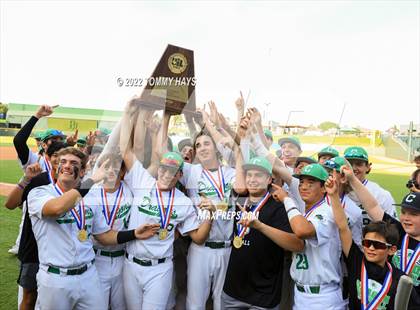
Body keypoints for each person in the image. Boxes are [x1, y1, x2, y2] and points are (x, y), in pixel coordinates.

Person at [27, 147, 159, 309]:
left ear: (82, 172)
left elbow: (104, 236)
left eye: (74, 163)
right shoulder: (39, 193)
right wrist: (92, 180)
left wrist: (134, 234)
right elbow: (56, 209)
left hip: (88, 276)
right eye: (63, 162)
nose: (67, 165)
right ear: (57, 169)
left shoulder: (90, 198)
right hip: (56, 279)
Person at [119, 101, 214, 310]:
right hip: (131, 265)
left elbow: (198, 237)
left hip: (159, 269)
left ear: (180, 175)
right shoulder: (143, 181)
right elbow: (125, 150)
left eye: (172, 171)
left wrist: (210, 215)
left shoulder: (183, 202)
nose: (165, 174)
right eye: (163, 168)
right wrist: (127, 115)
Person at [326, 171, 420, 309]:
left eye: (413, 214)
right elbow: (372, 207)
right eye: (404, 213)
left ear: (391, 249)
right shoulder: (397, 231)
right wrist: (351, 180)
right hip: (386, 287)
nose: (405, 218)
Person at [222, 156, 304, 309]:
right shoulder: (239, 200)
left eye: (258, 175)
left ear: (269, 179)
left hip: (264, 294)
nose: (252, 179)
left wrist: (260, 226)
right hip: (232, 291)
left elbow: (297, 244)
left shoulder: (279, 206)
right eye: (249, 175)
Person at [278, 163, 346, 309]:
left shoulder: (327, 212)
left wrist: (287, 200)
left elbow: (301, 231)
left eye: (311, 182)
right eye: (301, 182)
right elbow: (297, 243)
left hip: (323, 296)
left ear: (323, 188)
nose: (303, 187)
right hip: (300, 294)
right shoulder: (306, 213)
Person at [84, 153, 133, 310]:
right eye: (107, 166)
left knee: (121, 306)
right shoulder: (90, 192)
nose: (111, 170)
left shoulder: (131, 191)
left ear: (123, 172)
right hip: (97, 258)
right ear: (100, 169)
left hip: (123, 259)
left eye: (117, 167)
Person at [344, 146, 397, 226]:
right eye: (349, 164)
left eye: (359, 164)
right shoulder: (336, 190)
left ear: (368, 167)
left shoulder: (381, 194)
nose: (353, 168)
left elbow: (393, 226)